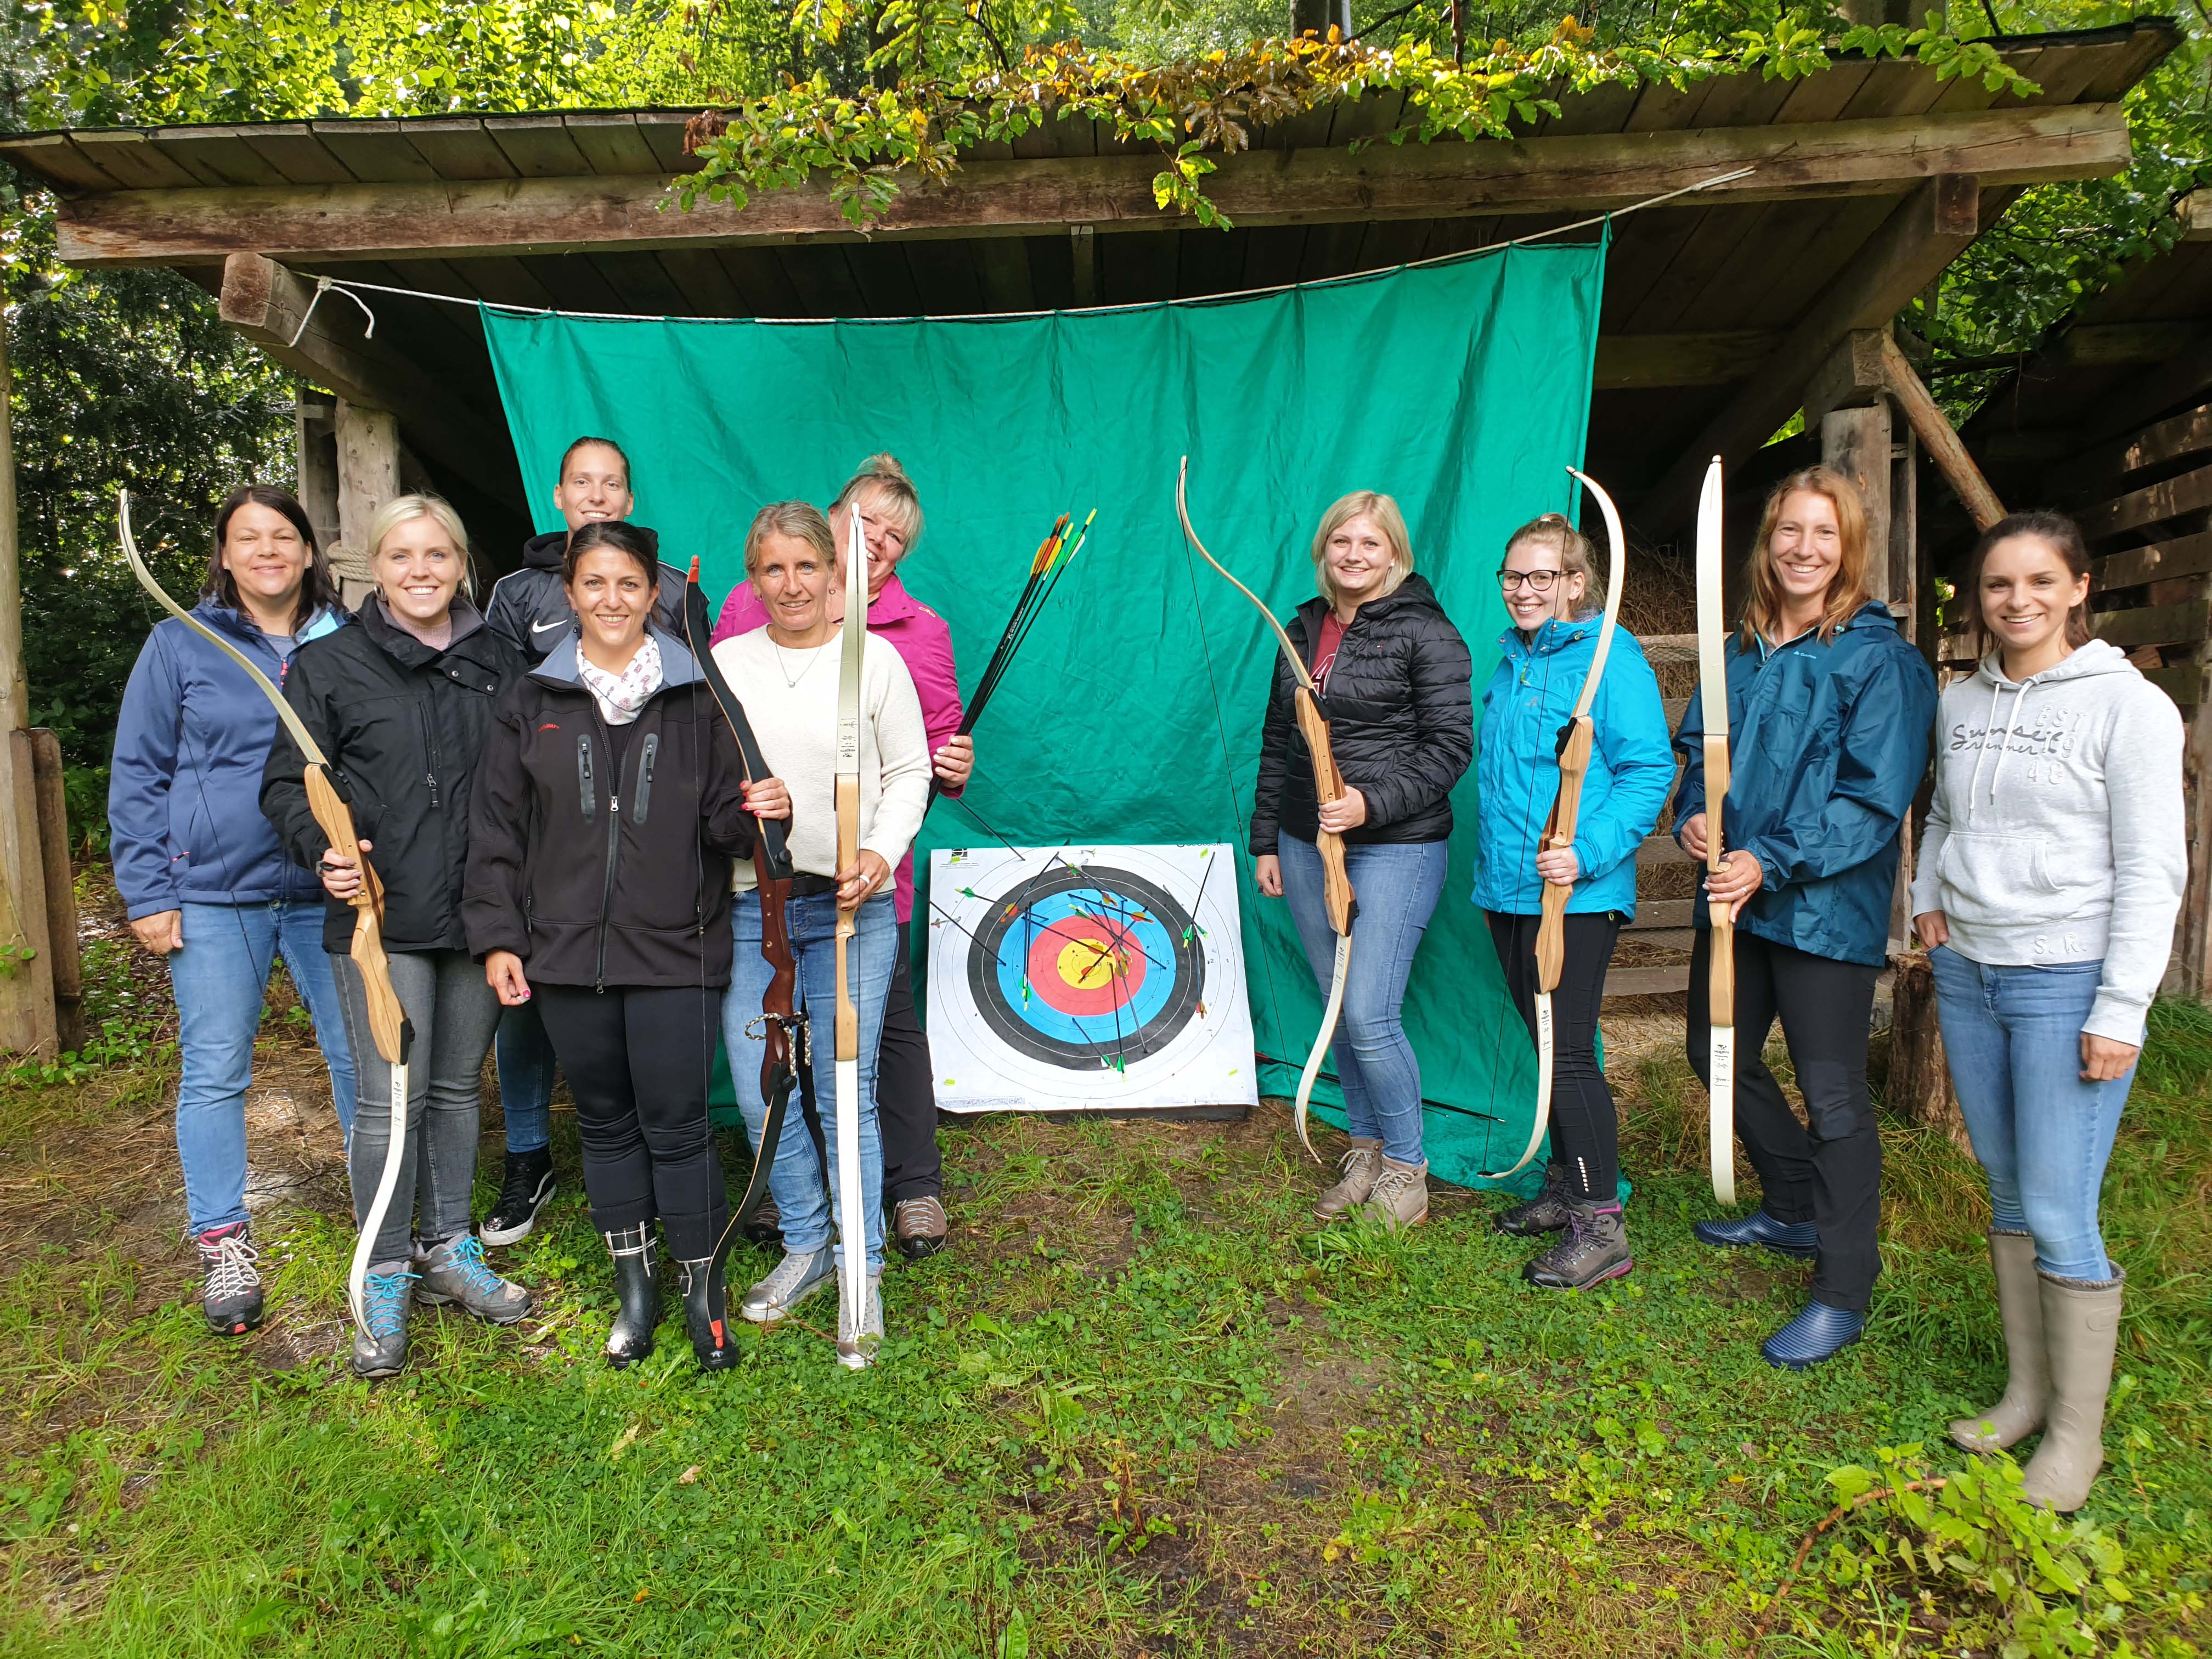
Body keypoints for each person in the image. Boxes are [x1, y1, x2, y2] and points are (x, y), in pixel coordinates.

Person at [1912, 511, 2183, 1512]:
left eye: (2037, 583)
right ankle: (2027, 1393)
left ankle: (2078, 1439)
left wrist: (2122, 1008)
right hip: (1972, 972)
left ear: (2077, 589)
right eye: (1996, 585)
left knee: (2064, 1207)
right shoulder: (1960, 700)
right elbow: (1943, 813)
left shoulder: (2131, 708)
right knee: (2009, 1189)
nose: (2016, 602)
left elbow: (2154, 870)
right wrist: (1926, 900)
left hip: (2067, 978)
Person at [467, 520, 765, 1371]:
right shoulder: (532, 699)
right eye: (594, 584)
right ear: (569, 594)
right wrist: (499, 939)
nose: (612, 600)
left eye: (629, 584)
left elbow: (721, 824)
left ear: (655, 594)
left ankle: (702, 1292)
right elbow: (497, 832)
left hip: (677, 951)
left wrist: (757, 810)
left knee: (677, 1127)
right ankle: (635, 1292)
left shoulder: (701, 694)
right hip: (566, 958)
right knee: (604, 1126)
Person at [1673, 466, 1936, 1370]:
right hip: (1735, 902)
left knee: (1832, 1097)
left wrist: (1768, 858)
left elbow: (1874, 801)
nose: (1804, 549)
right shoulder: (1736, 652)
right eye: (1790, 530)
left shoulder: (1880, 659)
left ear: (1848, 547)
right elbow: (1693, 766)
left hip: (1822, 910)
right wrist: (1693, 820)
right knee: (1713, 1055)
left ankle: (1842, 1288)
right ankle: (1789, 1205)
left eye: (1824, 534)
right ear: (1768, 541)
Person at [263, 494, 531, 1378]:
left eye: (439, 555)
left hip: (482, 911)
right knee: (390, 1098)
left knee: (457, 1089)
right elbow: (287, 783)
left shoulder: (504, 659)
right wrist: (324, 853)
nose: (422, 572)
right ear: (372, 568)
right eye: (403, 556)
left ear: (463, 565)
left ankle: (447, 1246)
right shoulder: (330, 666)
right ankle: (382, 1270)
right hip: (382, 919)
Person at [109, 486, 358, 1336]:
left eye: (282, 537)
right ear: (223, 554)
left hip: (329, 887)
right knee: (217, 1070)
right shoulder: (181, 643)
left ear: (308, 552)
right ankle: (224, 1241)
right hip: (218, 892)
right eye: (247, 538)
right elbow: (139, 770)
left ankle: (386, 1228)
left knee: (360, 1055)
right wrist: (149, 889)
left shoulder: (346, 639)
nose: (266, 551)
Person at [712, 454, 973, 1259]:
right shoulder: (735, 636)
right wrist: (744, 807)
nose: (879, 547)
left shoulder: (910, 637)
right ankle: (800, 1221)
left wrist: (926, 796)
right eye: (867, 528)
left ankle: (898, 1205)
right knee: (771, 1070)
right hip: (758, 894)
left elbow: (921, 756)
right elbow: (716, 749)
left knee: (863, 1061)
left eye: (896, 539)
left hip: (863, 884)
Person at [478, 437, 688, 1247]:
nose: (597, 495)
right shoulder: (516, 593)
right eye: (582, 483)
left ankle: (666, 1162)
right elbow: (503, 705)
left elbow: (698, 702)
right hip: (550, 835)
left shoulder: (670, 587)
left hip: (644, 839)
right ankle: (530, 1157)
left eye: (612, 484)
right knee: (527, 1004)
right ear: (559, 495)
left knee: (652, 1017)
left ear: (629, 499)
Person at [1250, 491, 1474, 1228]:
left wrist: (1369, 803)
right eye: (1341, 542)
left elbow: (1449, 749)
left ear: (1395, 553)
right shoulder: (1303, 626)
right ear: (1325, 549)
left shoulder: (1429, 633)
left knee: (1372, 1013)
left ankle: (1408, 1171)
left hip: (1396, 846)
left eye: (1370, 544)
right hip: (1305, 844)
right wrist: (1266, 841)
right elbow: (1279, 743)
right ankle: (1367, 1148)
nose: (1353, 555)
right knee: (1339, 1012)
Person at [1475, 512, 1672, 1287]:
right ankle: (1565, 1187)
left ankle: (1602, 1227)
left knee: (1573, 1054)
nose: (1524, 590)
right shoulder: (1511, 662)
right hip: (1508, 889)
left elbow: (1648, 771)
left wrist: (1586, 853)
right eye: (1514, 576)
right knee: (1546, 1044)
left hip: (1577, 896)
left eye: (1542, 577)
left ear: (1577, 583)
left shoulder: (1608, 657)